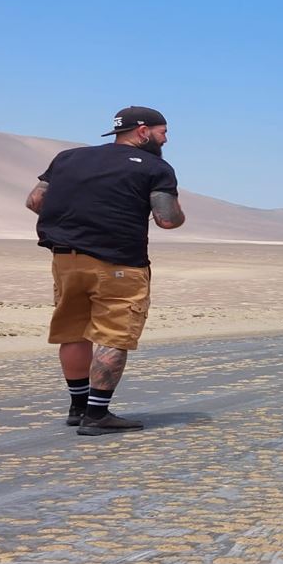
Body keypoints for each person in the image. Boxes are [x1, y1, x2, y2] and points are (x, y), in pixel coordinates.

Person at [25, 106, 185, 435]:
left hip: (65, 258)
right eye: (162, 132)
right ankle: (97, 415)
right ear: (142, 131)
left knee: (73, 331)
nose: (166, 139)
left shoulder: (68, 158)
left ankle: (78, 407)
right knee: (113, 334)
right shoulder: (156, 167)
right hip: (119, 262)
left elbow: (35, 201)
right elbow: (167, 219)